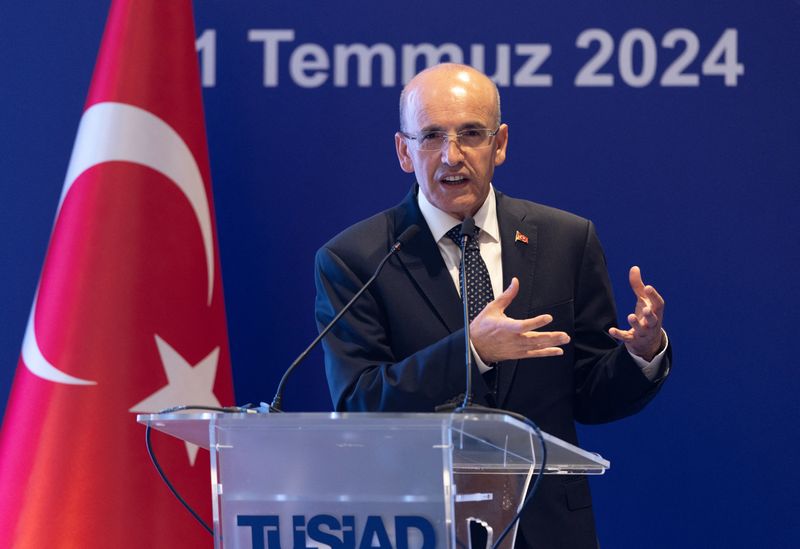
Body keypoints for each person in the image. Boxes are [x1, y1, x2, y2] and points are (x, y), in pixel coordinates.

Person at [314, 63, 670, 549]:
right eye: (432, 136)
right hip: (418, 528)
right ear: (404, 151)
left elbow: (590, 393)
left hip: (548, 529)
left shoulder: (566, 240)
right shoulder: (356, 258)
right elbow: (359, 403)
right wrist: (472, 350)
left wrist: (641, 355)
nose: (451, 155)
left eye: (471, 134)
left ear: (499, 144)